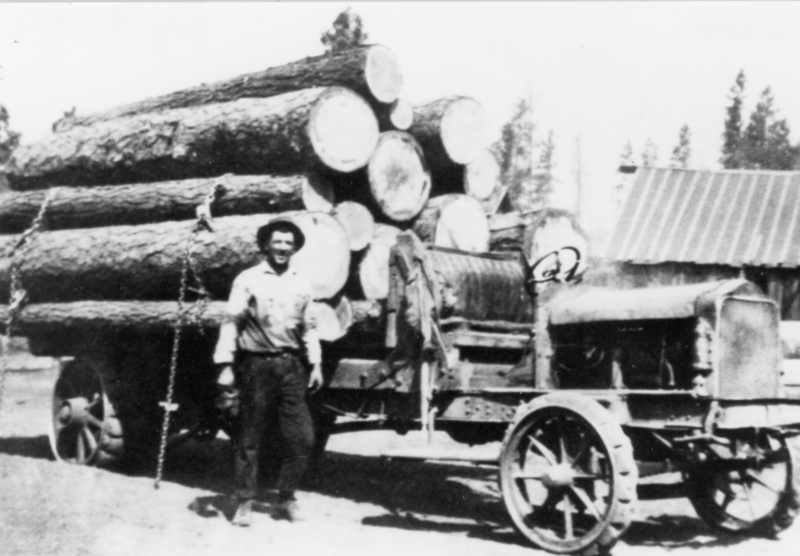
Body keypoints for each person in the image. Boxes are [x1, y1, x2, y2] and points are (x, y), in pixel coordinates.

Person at [214, 218, 323, 527]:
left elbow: (309, 327)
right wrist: (224, 366)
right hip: (256, 366)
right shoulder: (248, 279)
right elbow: (231, 322)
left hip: (292, 367)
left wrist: (315, 364)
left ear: (295, 248)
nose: (283, 248)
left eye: (289, 243)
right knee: (250, 437)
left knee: (302, 438)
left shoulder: (302, 282)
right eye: (277, 242)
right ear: (266, 245)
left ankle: (286, 497)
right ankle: (245, 501)